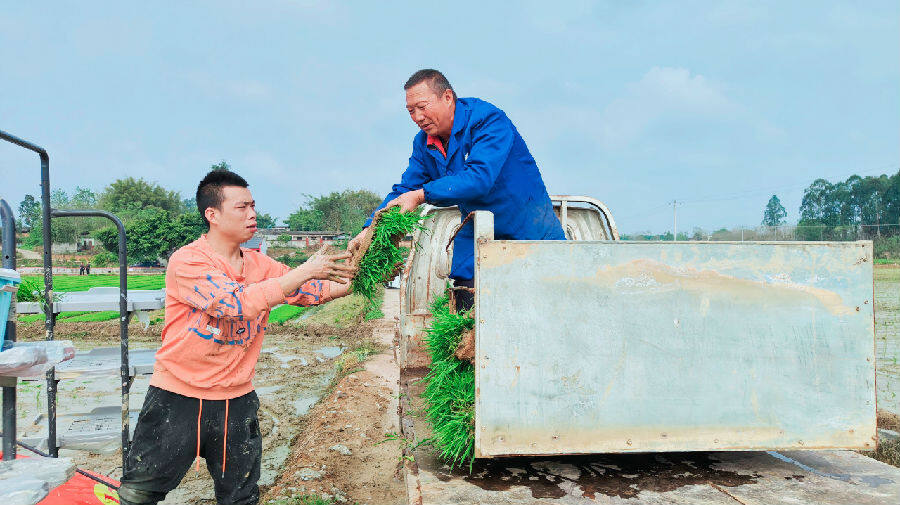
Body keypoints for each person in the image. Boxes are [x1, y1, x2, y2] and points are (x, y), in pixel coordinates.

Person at [117, 170, 356, 505]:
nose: (253, 214)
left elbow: (311, 290)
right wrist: (304, 270)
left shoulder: (261, 264)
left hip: (236, 401)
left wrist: (359, 280)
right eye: (242, 207)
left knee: (241, 497)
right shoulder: (188, 261)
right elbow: (236, 304)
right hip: (178, 397)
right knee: (139, 495)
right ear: (212, 215)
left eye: (253, 205)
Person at [349, 69, 564, 310]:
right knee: (464, 293)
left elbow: (479, 178)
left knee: (536, 306)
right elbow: (405, 189)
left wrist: (421, 196)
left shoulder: (487, 120)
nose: (418, 117)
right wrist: (369, 229)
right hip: (477, 229)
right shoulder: (424, 143)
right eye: (410, 111)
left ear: (447, 98)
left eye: (422, 106)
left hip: (526, 226)